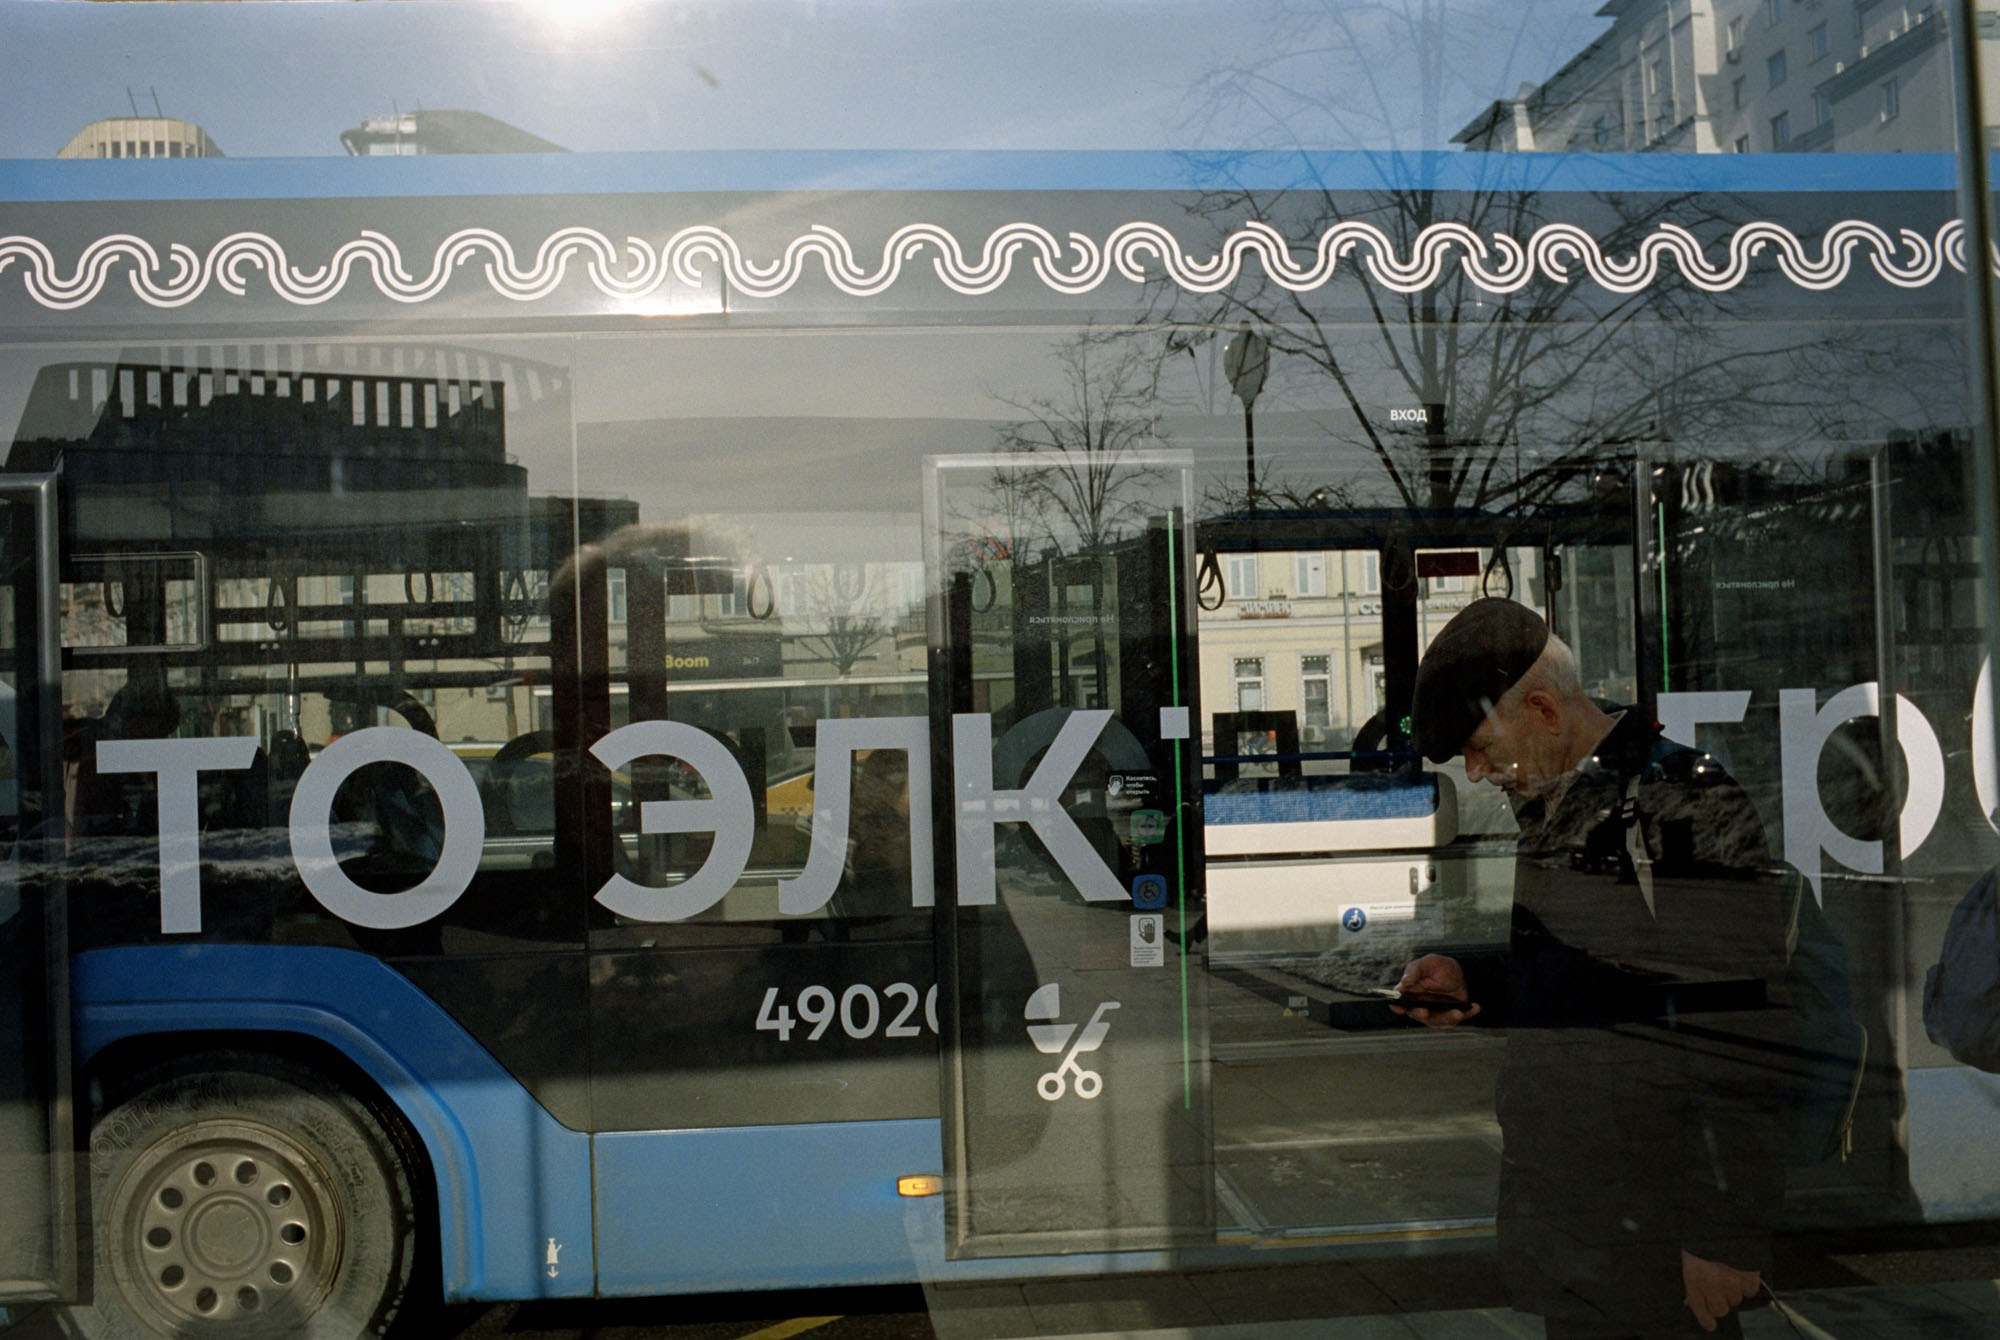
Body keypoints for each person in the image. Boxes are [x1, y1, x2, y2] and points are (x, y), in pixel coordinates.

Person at [1397, 598, 1793, 1339]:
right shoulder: (1558, 801)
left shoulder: (1679, 800)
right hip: (1582, 1230)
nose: (1476, 774)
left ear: (1545, 710)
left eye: (1480, 747)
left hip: (1652, 1235)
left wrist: (1723, 1233)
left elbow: (1743, 1025)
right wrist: (1476, 983)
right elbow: (1597, 980)